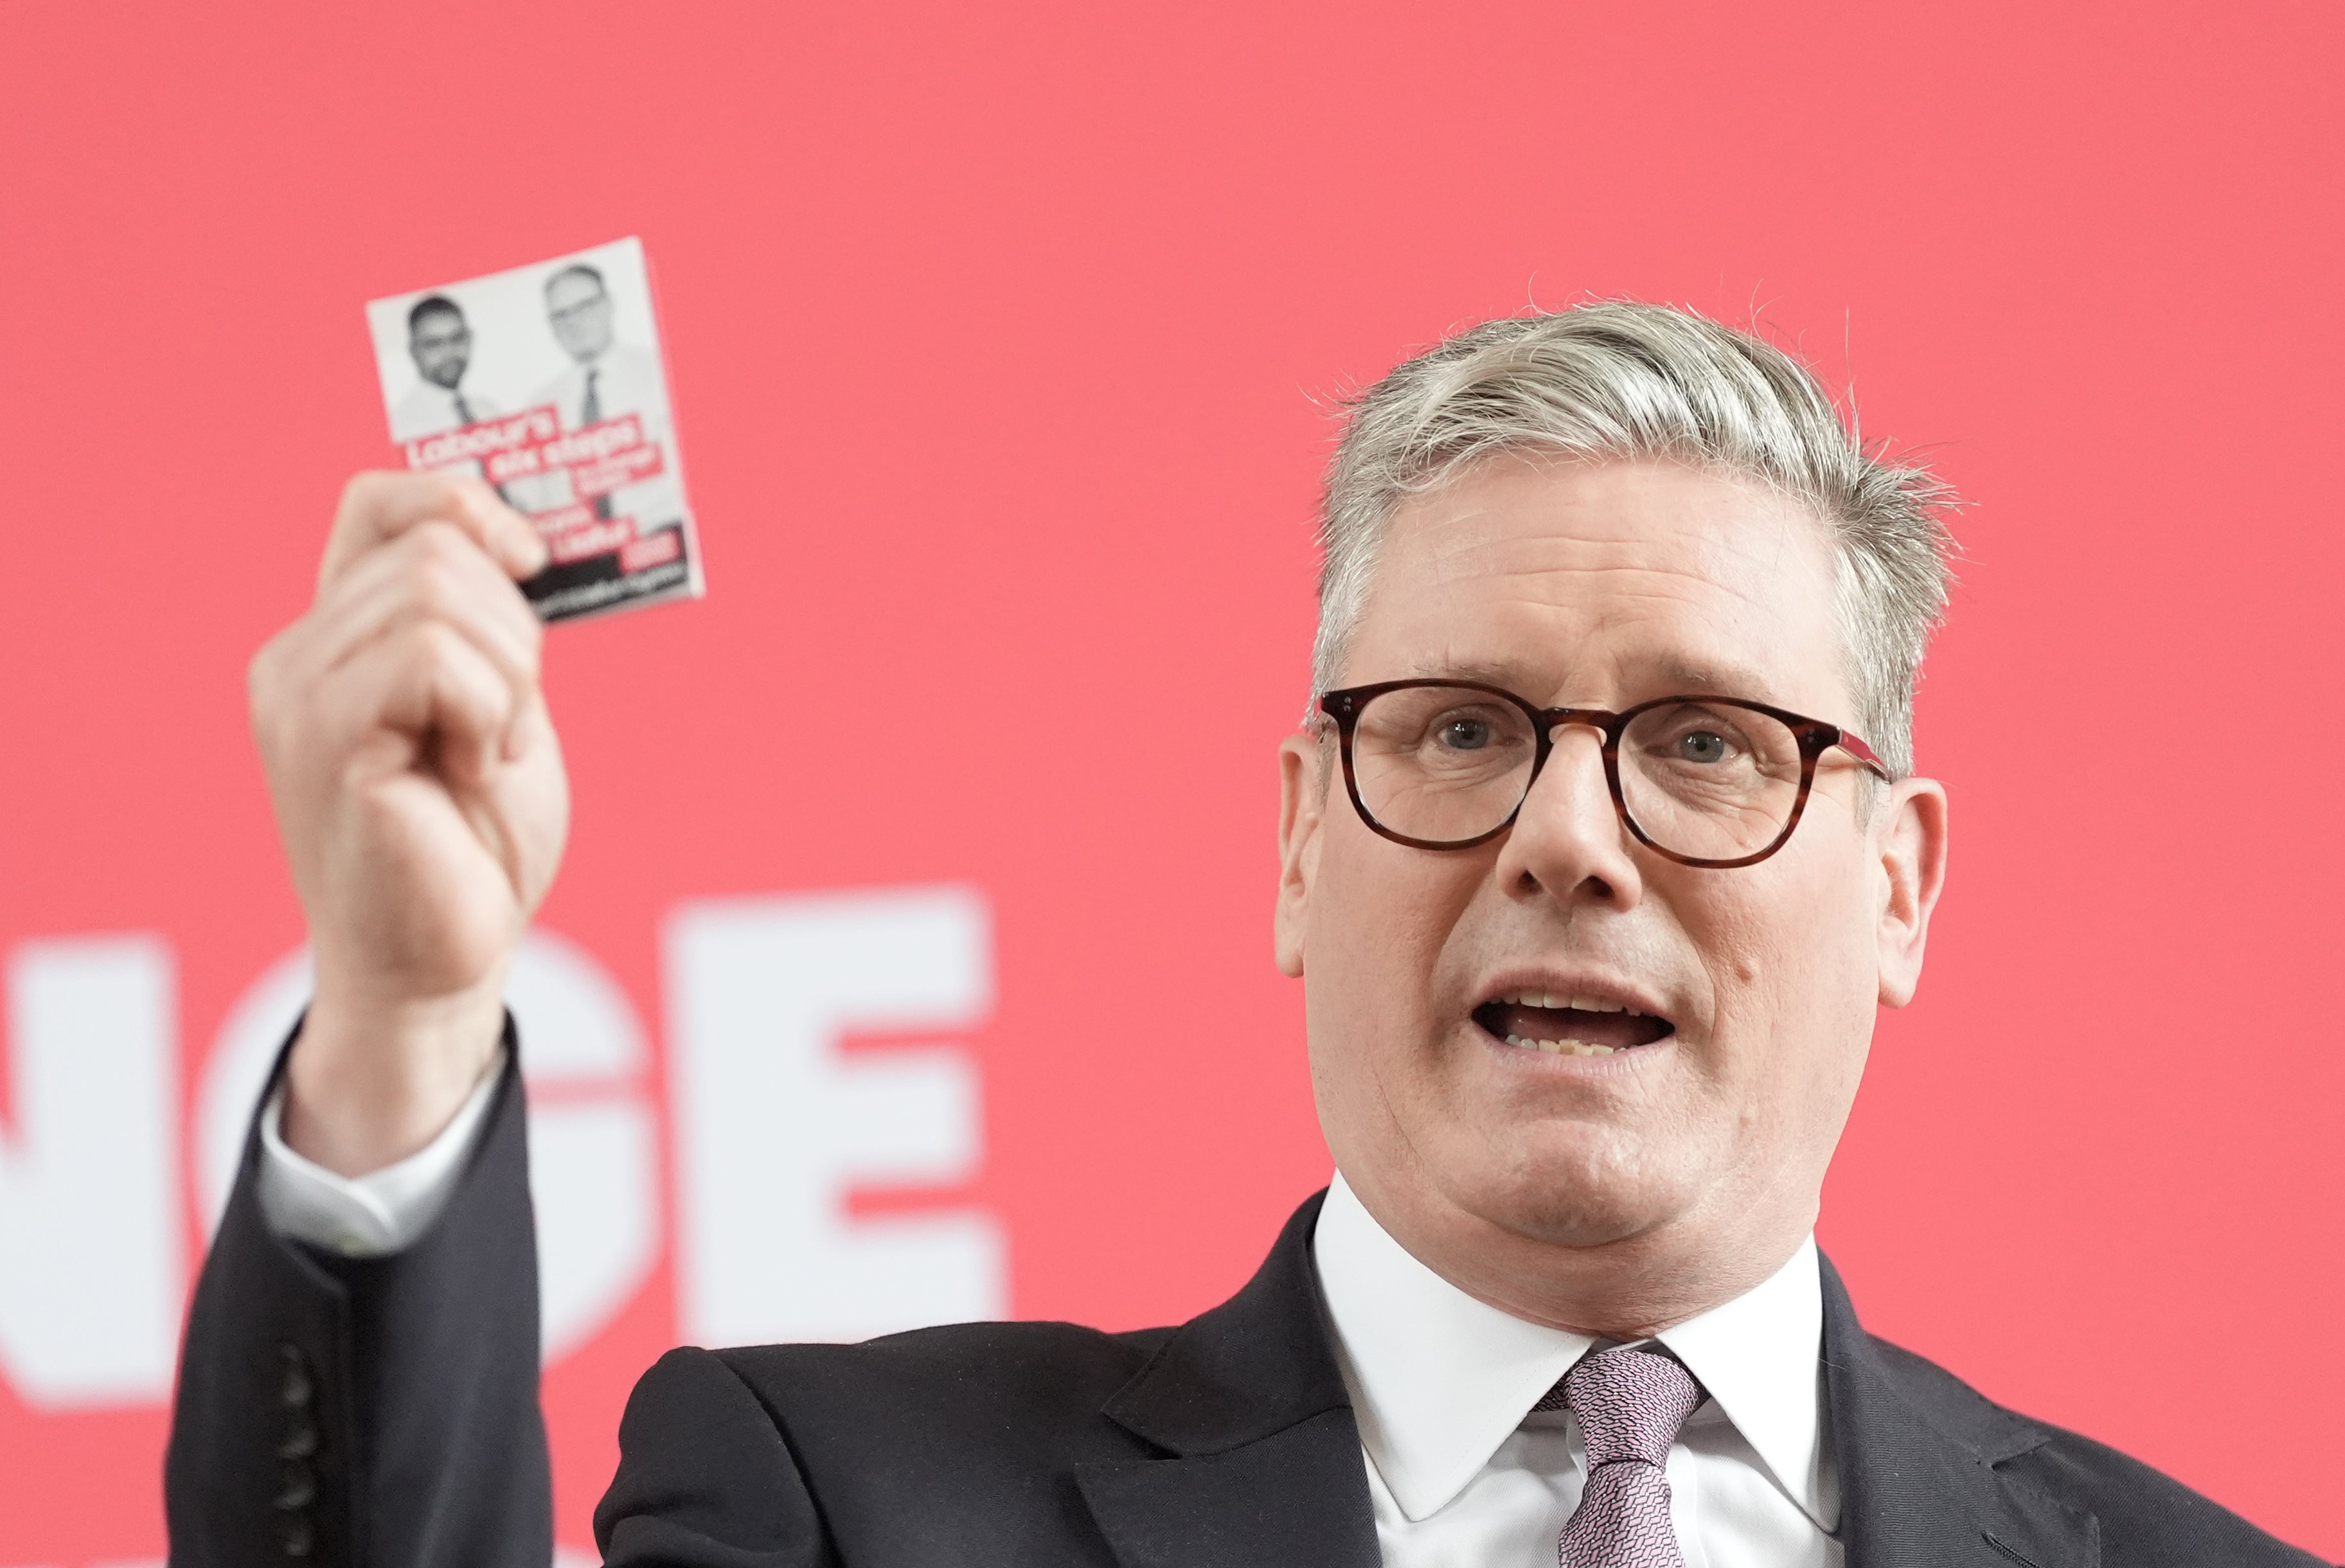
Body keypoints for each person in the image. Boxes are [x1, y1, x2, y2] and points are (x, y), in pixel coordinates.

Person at [165, 303, 2324, 1568]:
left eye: (1699, 743)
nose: (1565, 835)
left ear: (1891, 884)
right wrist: (407, 1012)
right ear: (1298, 846)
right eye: (1458, 728)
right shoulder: (847, 1508)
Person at [528, 262, 681, 532]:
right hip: (586, 552)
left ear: (609, 304)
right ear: (550, 326)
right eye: (561, 315)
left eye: (585, 306)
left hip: (665, 535)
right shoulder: (541, 404)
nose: (574, 322)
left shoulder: (659, 370)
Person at [388, 294, 499, 440]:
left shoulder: (488, 411)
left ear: (470, 340)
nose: (449, 352)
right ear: (413, 352)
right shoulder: (400, 427)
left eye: (457, 338)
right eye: (434, 344)